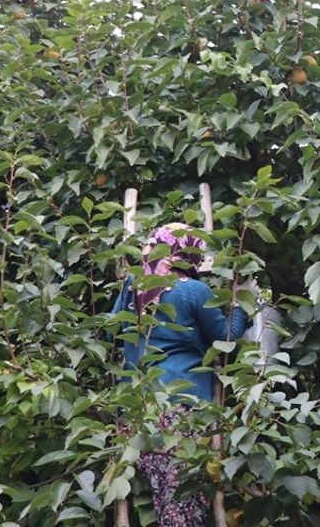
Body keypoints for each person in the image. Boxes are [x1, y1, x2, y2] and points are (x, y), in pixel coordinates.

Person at [110, 223, 250, 527]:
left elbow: (112, 328)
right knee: (181, 508)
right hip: (178, 411)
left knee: (164, 499)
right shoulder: (193, 290)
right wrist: (241, 308)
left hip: (134, 412)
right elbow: (225, 340)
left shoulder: (135, 285)